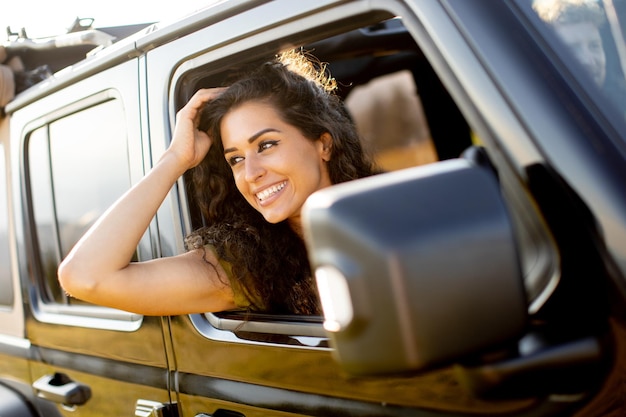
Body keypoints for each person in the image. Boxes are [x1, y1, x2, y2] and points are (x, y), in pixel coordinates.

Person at [58, 50, 376, 316]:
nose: (251, 173)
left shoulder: (395, 210)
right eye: (235, 159)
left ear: (324, 144)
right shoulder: (250, 266)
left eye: (266, 145)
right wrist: (174, 161)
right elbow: (86, 277)